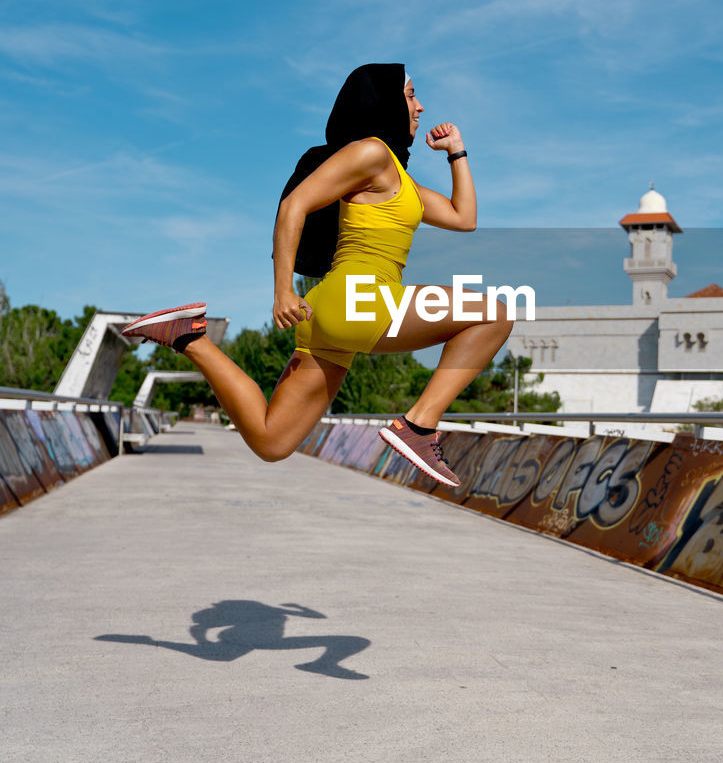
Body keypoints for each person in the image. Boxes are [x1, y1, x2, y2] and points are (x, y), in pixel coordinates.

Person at [122, 63, 513, 486]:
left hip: (336, 314)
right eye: (412, 95)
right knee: (495, 314)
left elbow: (464, 217)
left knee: (272, 441)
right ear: (384, 101)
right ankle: (418, 426)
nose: (420, 106)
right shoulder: (371, 152)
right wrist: (282, 291)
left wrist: (457, 150)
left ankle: (190, 338)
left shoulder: (397, 176)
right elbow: (295, 205)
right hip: (361, 299)